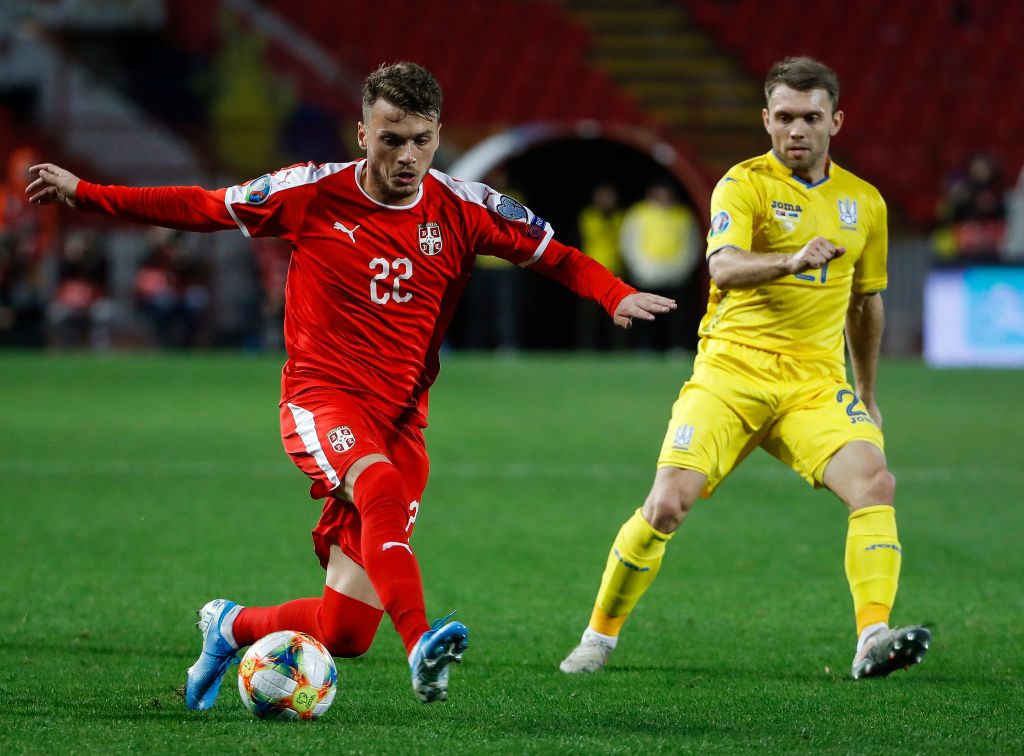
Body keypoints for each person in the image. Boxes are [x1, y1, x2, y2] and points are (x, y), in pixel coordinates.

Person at [26, 61, 675, 707]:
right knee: (379, 486)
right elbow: (203, 206)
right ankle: (422, 643)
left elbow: (554, 254)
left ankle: (228, 624)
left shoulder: (464, 208)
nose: (407, 155)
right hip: (322, 397)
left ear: (438, 134)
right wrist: (85, 193)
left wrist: (613, 294)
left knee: (346, 631)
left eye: (421, 140)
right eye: (391, 138)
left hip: (401, 420)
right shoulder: (309, 192)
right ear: (361, 133)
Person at [559, 56, 930, 681]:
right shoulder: (742, 184)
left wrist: (866, 391)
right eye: (783, 117)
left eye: (810, 118)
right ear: (766, 118)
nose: (796, 131)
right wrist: (791, 260)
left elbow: (866, 303)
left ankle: (872, 637)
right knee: (667, 505)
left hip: (815, 384)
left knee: (875, 484)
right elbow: (723, 266)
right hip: (731, 375)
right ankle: (599, 635)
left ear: (835, 120)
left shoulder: (865, 204)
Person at [618, 181, 701, 351]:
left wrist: (682, 269)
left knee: (676, 316)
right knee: (644, 314)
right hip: (647, 275)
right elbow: (628, 241)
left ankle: (677, 346)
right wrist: (639, 267)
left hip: (675, 275)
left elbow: (692, 244)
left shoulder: (682, 214)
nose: (664, 197)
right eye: (660, 193)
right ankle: (643, 347)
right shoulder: (639, 212)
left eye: (667, 193)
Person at [576, 183, 626, 351]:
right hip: (591, 273)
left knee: (617, 312)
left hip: (614, 272)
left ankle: (618, 350)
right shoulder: (589, 216)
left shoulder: (620, 218)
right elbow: (597, 234)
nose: (606, 200)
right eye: (602, 196)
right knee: (589, 316)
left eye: (609, 196)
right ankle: (587, 349)